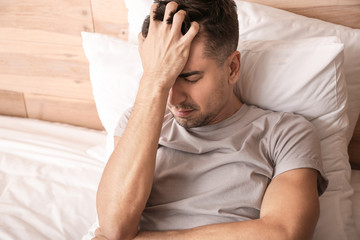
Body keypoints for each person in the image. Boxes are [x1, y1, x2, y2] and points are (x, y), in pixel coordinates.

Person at [92, 0, 328, 239]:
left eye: (190, 78)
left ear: (233, 68)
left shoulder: (284, 134)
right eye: (164, 76)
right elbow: (115, 227)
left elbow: (284, 233)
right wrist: (153, 82)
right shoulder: (138, 120)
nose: (173, 98)